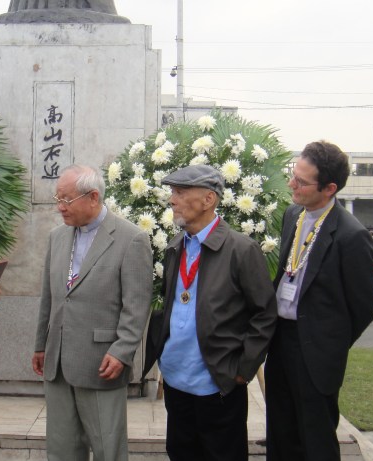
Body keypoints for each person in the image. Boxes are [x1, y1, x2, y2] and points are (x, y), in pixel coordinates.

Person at [141, 164, 278, 460]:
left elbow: (265, 314)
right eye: (171, 192)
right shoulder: (176, 245)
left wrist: (243, 369)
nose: (172, 200)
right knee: (181, 453)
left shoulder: (242, 250)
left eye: (180, 192)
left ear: (208, 200)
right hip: (177, 379)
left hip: (218, 383)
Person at [266, 141, 373, 461]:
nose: (292, 184)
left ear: (329, 188)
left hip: (317, 351)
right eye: (293, 175)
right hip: (282, 341)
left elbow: (364, 306)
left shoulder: (351, 235)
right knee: (280, 432)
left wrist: (330, 341)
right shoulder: (293, 215)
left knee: (315, 439)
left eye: (301, 182)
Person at [32, 164, 153, 461]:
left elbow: (136, 305)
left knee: (107, 448)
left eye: (66, 200)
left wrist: (123, 350)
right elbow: (50, 296)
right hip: (58, 360)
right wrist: (40, 344)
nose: (59, 207)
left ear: (93, 197)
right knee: (61, 447)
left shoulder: (131, 238)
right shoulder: (58, 237)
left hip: (102, 361)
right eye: (57, 199)